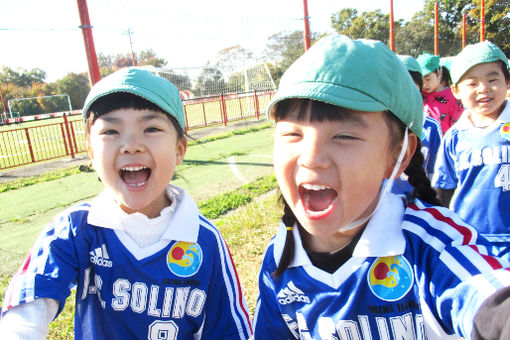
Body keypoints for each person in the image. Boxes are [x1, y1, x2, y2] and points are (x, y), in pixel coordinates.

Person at [252, 34, 510, 339]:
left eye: (344, 136)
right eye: (293, 134)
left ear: (398, 155)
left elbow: (487, 299)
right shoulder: (280, 255)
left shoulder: (428, 247)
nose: (311, 159)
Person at [0, 67, 252, 339]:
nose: (131, 145)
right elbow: (30, 304)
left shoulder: (204, 240)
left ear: (179, 149)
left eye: (151, 128)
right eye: (111, 131)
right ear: (91, 152)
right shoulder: (76, 230)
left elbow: (228, 329)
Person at [432, 41, 510, 259]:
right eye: (472, 83)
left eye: (492, 79)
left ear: (507, 82)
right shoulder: (455, 137)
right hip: (470, 241)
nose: (483, 89)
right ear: (456, 91)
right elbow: (443, 190)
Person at [391, 55, 442, 197]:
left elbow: (435, 173)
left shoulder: (432, 127)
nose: (404, 94)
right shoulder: (378, 127)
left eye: (410, 88)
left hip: (418, 204)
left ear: (419, 90)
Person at [418, 52, 464, 134]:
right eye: (421, 81)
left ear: (439, 74)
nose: (424, 85)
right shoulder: (420, 96)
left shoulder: (453, 96)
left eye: (428, 79)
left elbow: (458, 126)